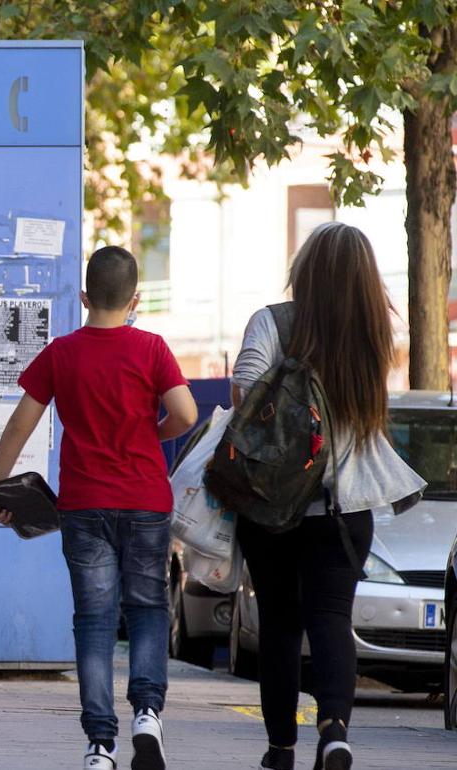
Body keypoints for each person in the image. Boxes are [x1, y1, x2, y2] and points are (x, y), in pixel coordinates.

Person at [0, 246, 197, 770]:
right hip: (146, 501)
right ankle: (147, 713)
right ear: (135, 300)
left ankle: (100, 744)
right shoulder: (151, 349)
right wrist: (154, 431)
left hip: (84, 506)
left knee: (95, 621)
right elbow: (186, 414)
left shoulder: (61, 353)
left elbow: (20, 424)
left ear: (83, 296)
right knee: (148, 609)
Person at [230, 223, 424, 770]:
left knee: (280, 628)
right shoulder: (373, 338)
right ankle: (335, 732)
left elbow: (244, 386)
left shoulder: (272, 320)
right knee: (332, 620)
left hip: (272, 506)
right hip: (344, 510)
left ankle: (280, 748)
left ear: (305, 270)